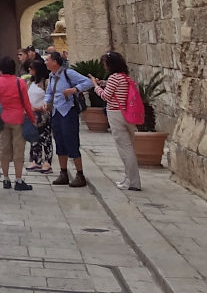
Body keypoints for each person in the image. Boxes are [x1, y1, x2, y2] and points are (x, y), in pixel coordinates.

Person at [93, 51, 142, 192]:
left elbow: (106, 96)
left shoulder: (114, 78)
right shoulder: (124, 77)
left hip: (115, 114)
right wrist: (101, 83)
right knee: (128, 147)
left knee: (125, 149)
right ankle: (129, 178)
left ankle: (133, 182)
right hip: (127, 114)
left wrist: (95, 86)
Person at [45, 51, 94, 187]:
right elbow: (49, 92)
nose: (46, 62)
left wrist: (74, 89)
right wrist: (46, 101)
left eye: (47, 60)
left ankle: (79, 174)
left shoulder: (68, 73)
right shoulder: (51, 76)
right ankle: (63, 172)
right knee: (59, 141)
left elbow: (88, 82)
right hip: (56, 112)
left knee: (71, 140)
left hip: (68, 111)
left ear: (55, 62)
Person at [0, 55, 36, 191]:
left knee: (4, 149)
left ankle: (5, 178)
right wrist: (32, 119)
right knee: (18, 150)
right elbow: (26, 103)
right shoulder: (20, 82)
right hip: (18, 119)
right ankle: (18, 179)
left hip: (3, 119)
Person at [24, 57, 54, 174]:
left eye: (32, 68)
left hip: (43, 114)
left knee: (45, 138)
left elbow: (50, 99)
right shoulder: (30, 82)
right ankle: (35, 160)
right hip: (32, 114)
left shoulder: (45, 82)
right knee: (34, 137)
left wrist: (41, 108)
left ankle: (47, 162)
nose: (29, 69)